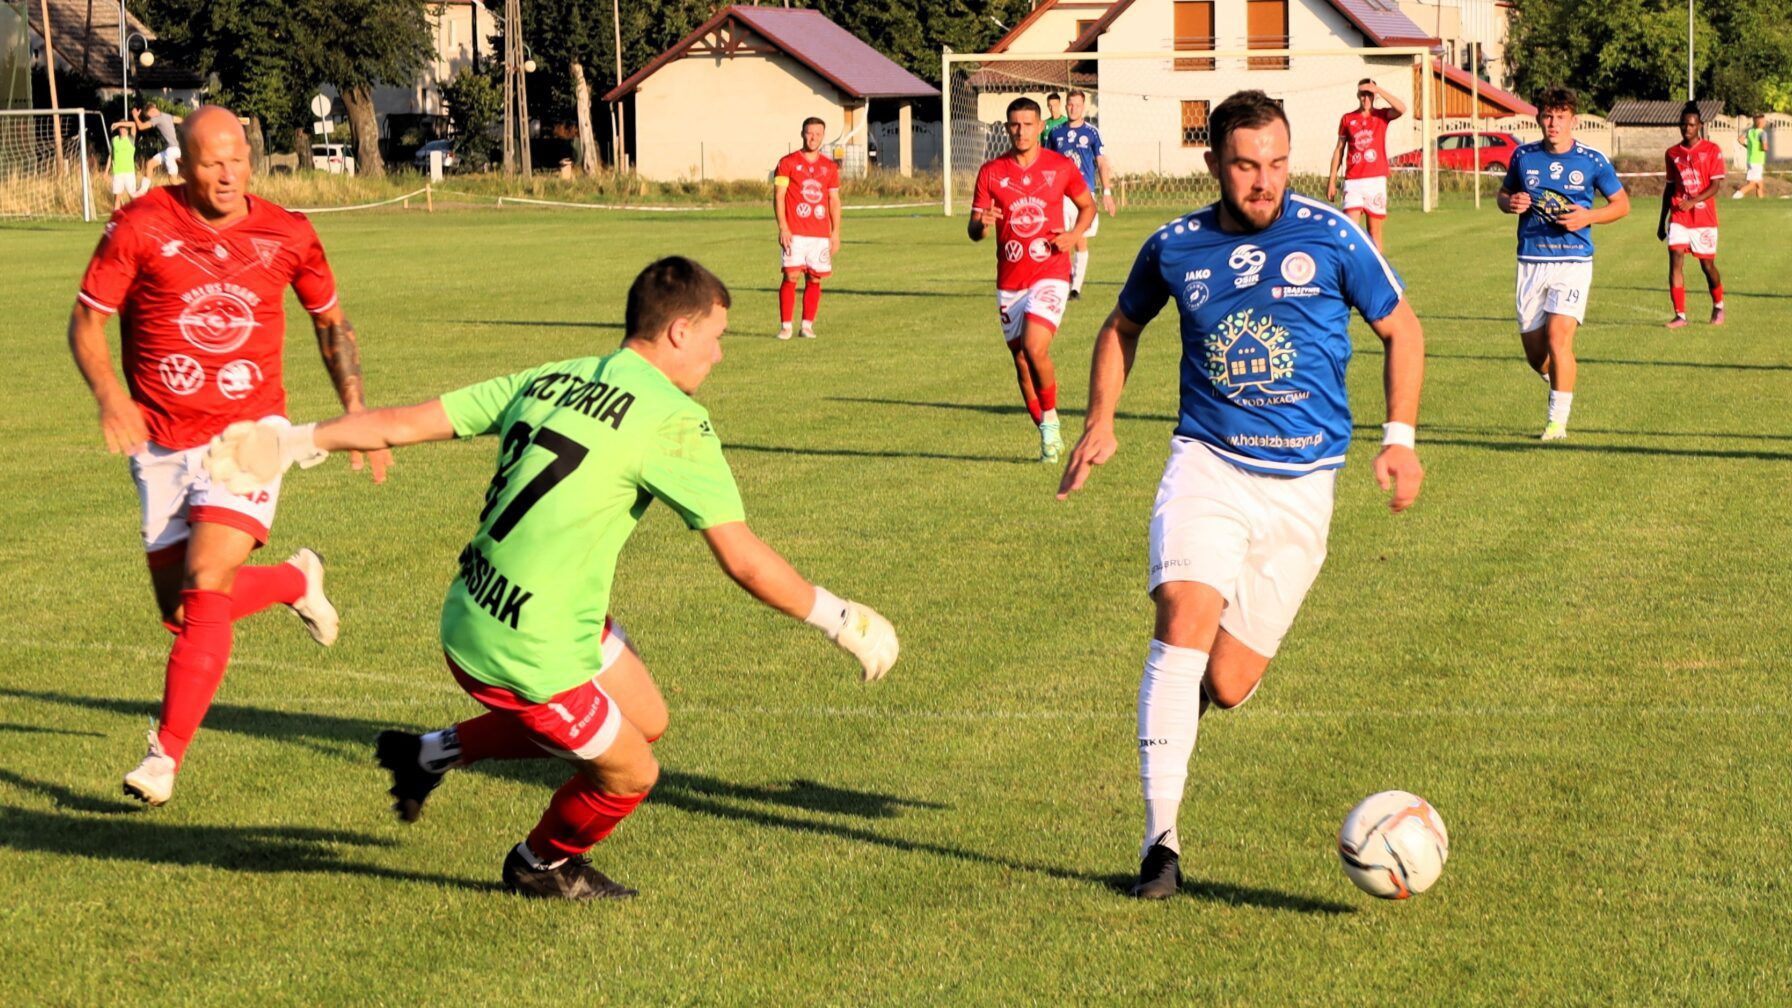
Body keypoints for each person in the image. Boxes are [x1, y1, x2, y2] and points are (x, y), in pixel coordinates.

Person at [203, 256, 900, 901]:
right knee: (631, 773)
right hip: (524, 646)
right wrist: (844, 620)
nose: (719, 354)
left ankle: (428, 754)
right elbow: (743, 560)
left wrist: (293, 440)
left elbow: (409, 422)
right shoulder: (673, 421)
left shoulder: (554, 375)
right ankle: (541, 864)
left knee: (646, 720)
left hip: (483, 604)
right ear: (680, 332)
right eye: (716, 337)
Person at [1054, 89, 1425, 900]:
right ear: (1213, 163)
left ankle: (1181, 714)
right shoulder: (1174, 246)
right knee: (1182, 619)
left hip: (1304, 490)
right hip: (1208, 464)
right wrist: (1100, 421)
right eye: (1248, 166)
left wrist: (1399, 437)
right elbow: (1121, 327)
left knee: (1224, 684)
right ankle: (1160, 845)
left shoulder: (1333, 236)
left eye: (1279, 163)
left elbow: (1402, 327)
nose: (1266, 182)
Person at [67, 105, 390, 806]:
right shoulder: (141, 225)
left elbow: (330, 322)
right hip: (160, 439)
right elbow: (88, 320)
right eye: (211, 163)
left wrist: (357, 409)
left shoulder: (288, 232)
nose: (226, 175)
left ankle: (163, 757)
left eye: (237, 160)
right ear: (181, 164)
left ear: (250, 158)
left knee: (208, 578)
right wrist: (109, 396)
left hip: (249, 435)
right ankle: (294, 580)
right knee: (182, 611)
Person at [1496, 87, 1629, 441]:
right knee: (1535, 354)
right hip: (1531, 261)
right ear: (1539, 118)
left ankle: (1557, 424)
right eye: (1547, 116)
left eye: (1560, 116)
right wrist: (1510, 203)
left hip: (1573, 261)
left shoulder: (1591, 160)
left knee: (1558, 339)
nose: (1553, 123)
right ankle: (1561, 382)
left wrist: (1588, 216)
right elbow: (1504, 194)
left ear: (1574, 120)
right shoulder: (1523, 157)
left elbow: (1621, 204)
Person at [970, 97, 1096, 463]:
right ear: (1006, 128)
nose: (1021, 131)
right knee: (1022, 362)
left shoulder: (1059, 167)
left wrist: (1073, 235)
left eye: (1028, 124)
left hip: (1050, 272)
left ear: (1041, 127)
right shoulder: (991, 172)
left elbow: (1088, 206)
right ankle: (1046, 436)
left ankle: (1052, 419)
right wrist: (982, 225)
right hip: (1010, 280)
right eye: (1014, 124)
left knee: (1034, 347)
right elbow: (973, 230)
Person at [772, 117, 841, 340]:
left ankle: (807, 326)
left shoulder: (829, 167)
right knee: (791, 275)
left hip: (819, 234)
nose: (813, 138)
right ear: (802, 133)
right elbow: (779, 196)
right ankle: (786, 326)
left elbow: (834, 200)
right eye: (810, 133)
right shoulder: (787, 163)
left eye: (818, 134)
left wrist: (835, 233)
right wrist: (783, 227)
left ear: (823, 136)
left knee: (814, 278)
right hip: (794, 232)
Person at [1045, 90, 1118, 300]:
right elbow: (1047, 163)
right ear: (1065, 105)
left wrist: (1107, 193)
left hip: (1084, 195)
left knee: (1079, 239)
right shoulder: (1055, 133)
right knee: (1058, 238)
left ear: (1083, 107)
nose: (1073, 108)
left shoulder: (1092, 133)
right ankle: (1062, 281)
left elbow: (1101, 163)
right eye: (1070, 104)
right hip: (1060, 194)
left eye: (1077, 105)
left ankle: (1075, 288)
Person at [1658, 102, 1725, 328]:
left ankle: (1718, 305)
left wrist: (1694, 201)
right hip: (1679, 215)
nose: (1687, 128)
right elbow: (1669, 188)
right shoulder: (1672, 153)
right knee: (1675, 258)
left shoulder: (1712, 150)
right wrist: (1661, 221)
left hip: (1704, 218)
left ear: (1700, 126)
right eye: (1684, 124)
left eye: (1692, 125)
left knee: (1707, 266)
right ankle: (1680, 315)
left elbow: (1715, 186)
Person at [1326, 78, 1406, 251]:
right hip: (1353, 181)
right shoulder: (1348, 119)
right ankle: (1351, 266)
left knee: (1374, 232)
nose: (1366, 98)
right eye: (1363, 94)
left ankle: (1376, 266)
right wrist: (1332, 180)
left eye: (1369, 94)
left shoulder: (1381, 116)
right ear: (1358, 95)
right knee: (1350, 231)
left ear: (1374, 96)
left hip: (1375, 181)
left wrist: (1379, 90)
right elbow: (1339, 149)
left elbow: (1402, 108)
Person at [135, 102, 185, 183]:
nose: (150, 118)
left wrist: (135, 117)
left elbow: (141, 127)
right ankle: (143, 189)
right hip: (174, 149)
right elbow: (180, 120)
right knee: (150, 164)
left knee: (172, 178)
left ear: (152, 111)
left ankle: (178, 191)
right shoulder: (167, 116)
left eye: (149, 116)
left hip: (170, 151)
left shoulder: (156, 118)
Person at [1733, 113, 1769, 199]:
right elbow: (1765, 147)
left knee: (1759, 185)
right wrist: (1765, 148)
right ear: (1760, 122)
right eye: (1764, 121)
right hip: (1757, 161)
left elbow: (1740, 139)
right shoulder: (1762, 133)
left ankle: (1761, 203)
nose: (1765, 122)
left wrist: (1747, 146)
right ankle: (1737, 196)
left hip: (1750, 160)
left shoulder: (1750, 131)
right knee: (1753, 184)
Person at [109, 121, 141, 209]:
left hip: (129, 172)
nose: (122, 130)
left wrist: (119, 123)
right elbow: (111, 156)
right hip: (117, 172)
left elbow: (133, 124)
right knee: (117, 198)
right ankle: (116, 215)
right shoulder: (114, 140)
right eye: (121, 128)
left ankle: (137, 214)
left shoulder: (131, 139)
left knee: (133, 196)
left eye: (124, 128)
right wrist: (106, 171)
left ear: (127, 130)